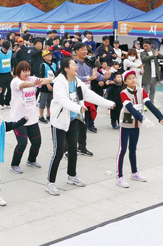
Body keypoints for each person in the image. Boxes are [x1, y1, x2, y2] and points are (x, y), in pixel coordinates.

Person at [45, 57, 115, 196]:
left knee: (73, 150)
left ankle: (72, 176)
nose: (76, 67)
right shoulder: (59, 81)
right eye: (73, 65)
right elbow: (63, 101)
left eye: (76, 65)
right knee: (58, 152)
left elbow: (89, 95)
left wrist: (108, 103)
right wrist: (78, 108)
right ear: (66, 68)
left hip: (73, 120)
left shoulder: (76, 81)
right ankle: (50, 183)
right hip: (60, 122)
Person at [116, 70, 163, 188]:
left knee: (133, 149)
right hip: (126, 125)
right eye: (130, 78)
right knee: (122, 150)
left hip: (136, 125)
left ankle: (134, 172)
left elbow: (149, 104)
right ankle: (119, 177)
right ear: (125, 82)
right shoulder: (123, 93)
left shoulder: (141, 91)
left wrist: (160, 117)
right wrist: (143, 118)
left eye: (134, 77)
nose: (133, 79)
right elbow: (130, 108)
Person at [8, 61, 52, 173]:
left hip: (31, 118)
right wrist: (35, 83)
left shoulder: (32, 79)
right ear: (19, 71)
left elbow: (44, 80)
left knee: (37, 142)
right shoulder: (15, 81)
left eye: (28, 71)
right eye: (24, 71)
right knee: (22, 143)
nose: (27, 73)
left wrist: (54, 79)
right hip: (18, 120)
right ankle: (14, 164)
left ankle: (31, 160)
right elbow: (23, 85)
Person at [73, 42, 102, 152]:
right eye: (82, 49)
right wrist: (89, 79)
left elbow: (96, 76)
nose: (85, 51)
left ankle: (82, 147)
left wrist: (106, 77)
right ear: (76, 51)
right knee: (73, 124)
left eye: (86, 49)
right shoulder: (72, 64)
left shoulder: (86, 65)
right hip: (75, 98)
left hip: (86, 98)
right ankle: (68, 149)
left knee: (83, 124)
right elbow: (75, 77)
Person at [38, 50, 58, 124]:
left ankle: (49, 114)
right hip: (45, 85)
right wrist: (47, 84)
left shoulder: (54, 64)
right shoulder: (43, 65)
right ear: (44, 57)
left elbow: (55, 75)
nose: (50, 56)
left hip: (53, 84)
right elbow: (41, 76)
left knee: (50, 101)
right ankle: (41, 116)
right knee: (43, 101)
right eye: (47, 55)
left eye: (50, 55)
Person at [0, 40, 13, 110]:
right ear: (2, 47)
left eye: (8, 49)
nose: (6, 50)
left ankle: (7, 102)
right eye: (5, 49)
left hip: (8, 73)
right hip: (0, 74)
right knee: (0, 90)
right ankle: (0, 103)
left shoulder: (10, 52)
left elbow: (12, 61)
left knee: (11, 89)